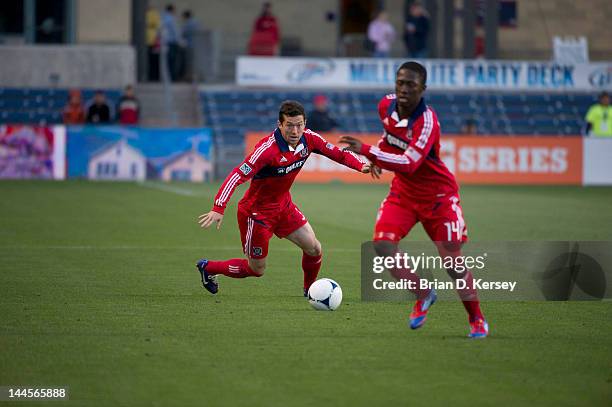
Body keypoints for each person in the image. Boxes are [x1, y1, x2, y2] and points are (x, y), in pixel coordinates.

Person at [340, 61, 489, 338]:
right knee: (383, 246)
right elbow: (390, 137)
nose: (404, 89)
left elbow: (410, 163)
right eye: (400, 83)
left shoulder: (427, 121)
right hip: (404, 195)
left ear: (423, 89)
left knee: (453, 265)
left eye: (411, 84)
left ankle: (477, 319)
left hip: (438, 198)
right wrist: (380, 154)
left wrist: (369, 152)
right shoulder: (385, 105)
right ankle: (423, 294)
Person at [196, 100, 373, 296]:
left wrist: (361, 165)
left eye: (299, 125)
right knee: (256, 270)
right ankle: (209, 267)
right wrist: (218, 207)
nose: (295, 131)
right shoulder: (267, 151)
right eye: (289, 125)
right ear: (280, 124)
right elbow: (237, 175)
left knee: (314, 248)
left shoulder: (310, 139)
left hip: (283, 206)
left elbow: (337, 154)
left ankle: (310, 291)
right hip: (256, 214)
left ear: (305, 123)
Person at [161, 4, 181, 81]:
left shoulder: (162, 17)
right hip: (172, 42)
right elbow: (175, 31)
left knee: (167, 61)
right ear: (172, 10)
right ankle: (173, 77)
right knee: (172, 61)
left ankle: (166, 77)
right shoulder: (171, 19)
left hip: (164, 42)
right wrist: (179, 41)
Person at [180, 10, 199, 81]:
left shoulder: (187, 24)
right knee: (194, 63)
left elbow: (183, 34)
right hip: (197, 46)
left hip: (189, 45)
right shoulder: (196, 22)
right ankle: (194, 77)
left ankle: (189, 77)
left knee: (188, 63)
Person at [146, 6, 161, 81]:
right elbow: (159, 28)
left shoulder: (148, 14)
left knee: (149, 61)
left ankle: (151, 76)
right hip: (154, 41)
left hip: (148, 42)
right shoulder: (155, 14)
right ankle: (154, 77)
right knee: (154, 61)